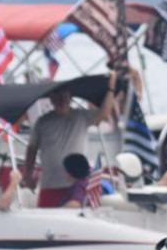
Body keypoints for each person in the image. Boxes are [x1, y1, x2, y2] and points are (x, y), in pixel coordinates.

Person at [22, 73, 117, 207]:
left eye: (64, 97)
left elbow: (104, 113)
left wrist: (111, 88)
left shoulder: (82, 117)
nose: (61, 100)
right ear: (51, 99)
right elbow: (31, 150)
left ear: (70, 98)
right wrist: (27, 176)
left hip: (75, 185)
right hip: (49, 185)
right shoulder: (42, 122)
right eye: (57, 97)